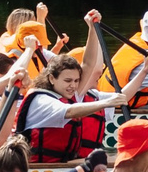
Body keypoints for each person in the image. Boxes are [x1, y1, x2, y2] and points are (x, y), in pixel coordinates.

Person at [22, 35, 132, 163]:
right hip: (40, 168)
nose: (73, 86)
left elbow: (89, 65)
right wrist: (106, 103)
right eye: (68, 81)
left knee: (121, 159)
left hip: (64, 163)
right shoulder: (40, 100)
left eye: (76, 81)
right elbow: (69, 111)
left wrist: (92, 29)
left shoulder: (70, 94)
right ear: (51, 79)